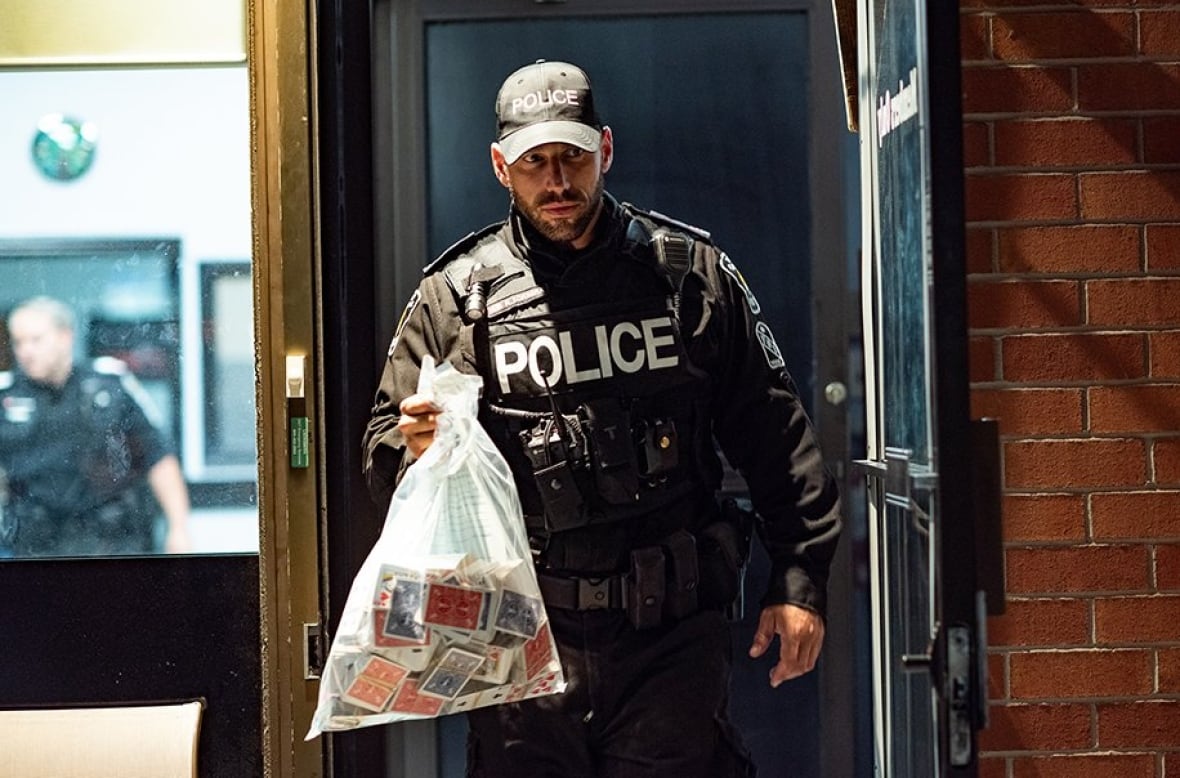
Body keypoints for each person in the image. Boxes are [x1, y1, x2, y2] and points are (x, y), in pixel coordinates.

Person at [363, 60, 842, 777]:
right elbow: (382, 450)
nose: (557, 182)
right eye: (534, 163)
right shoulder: (455, 297)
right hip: (522, 640)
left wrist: (800, 579)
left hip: (669, 639)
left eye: (572, 157)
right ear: (502, 166)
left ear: (605, 150)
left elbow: (776, 436)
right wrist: (414, 445)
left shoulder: (690, 276)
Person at [0, 296, 192, 557]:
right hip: (38, 547)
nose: (26, 351)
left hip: (112, 542)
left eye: (35, 340)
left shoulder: (111, 385)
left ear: (65, 336)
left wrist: (179, 528)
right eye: (18, 342)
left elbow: (157, 456)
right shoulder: (6, 396)